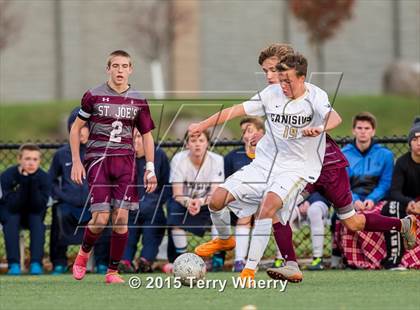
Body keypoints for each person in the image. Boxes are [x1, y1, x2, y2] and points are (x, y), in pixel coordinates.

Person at [189, 52, 343, 282]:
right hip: (264, 164)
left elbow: (335, 117)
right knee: (217, 200)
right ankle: (224, 240)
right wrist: (203, 124)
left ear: (302, 79)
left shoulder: (315, 96)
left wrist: (320, 128)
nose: (281, 85)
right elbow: (235, 111)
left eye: (287, 80)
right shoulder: (272, 93)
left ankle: (248, 271)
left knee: (267, 208)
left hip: (297, 169)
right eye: (279, 79)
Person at [69, 50, 157, 284]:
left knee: (120, 219)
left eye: (124, 66)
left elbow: (147, 136)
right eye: (115, 66)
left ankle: (112, 272)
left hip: (125, 163)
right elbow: (76, 128)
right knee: (100, 218)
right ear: (108, 69)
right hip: (98, 160)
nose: (120, 70)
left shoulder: (138, 99)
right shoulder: (93, 95)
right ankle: (83, 254)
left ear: (131, 69)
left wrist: (150, 167)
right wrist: (77, 161)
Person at [330, 112, 394, 269]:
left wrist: (372, 199)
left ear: (373, 131)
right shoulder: (344, 154)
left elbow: (386, 183)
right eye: (359, 128)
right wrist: (354, 200)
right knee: (337, 217)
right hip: (351, 198)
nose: (363, 131)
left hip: (377, 199)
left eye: (367, 128)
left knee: (381, 215)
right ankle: (339, 256)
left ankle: (384, 257)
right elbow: (343, 184)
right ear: (353, 130)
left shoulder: (386, 155)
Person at [49, 108, 109, 274]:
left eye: (85, 127)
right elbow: (51, 180)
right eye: (77, 127)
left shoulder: (100, 152)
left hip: (93, 204)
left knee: (104, 217)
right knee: (59, 213)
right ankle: (59, 262)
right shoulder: (62, 154)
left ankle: (103, 262)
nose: (81, 132)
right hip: (69, 204)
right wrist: (61, 196)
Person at [167, 130, 224, 262]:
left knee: (219, 213)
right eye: (193, 141)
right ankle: (183, 258)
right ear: (187, 144)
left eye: (201, 140)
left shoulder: (217, 160)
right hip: (184, 202)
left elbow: (215, 194)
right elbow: (177, 194)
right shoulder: (178, 159)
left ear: (207, 144)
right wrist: (189, 202)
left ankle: (217, 259)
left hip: (206, 202)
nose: (197, 144)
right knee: (174, 214)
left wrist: (200, 201)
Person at [119, 129, 170, 273]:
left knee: (152, 232)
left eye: (139, 137)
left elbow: (167, 185)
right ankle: (126, 262)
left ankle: (145, 261)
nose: (135, 141)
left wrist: (156, 201)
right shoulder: (123, 158)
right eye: (131, 137)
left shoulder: (158, 156)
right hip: (130, 208)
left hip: (152, 208)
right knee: (128, 233)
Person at [0, 144, 51, 275]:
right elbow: (12, 206)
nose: (31, 163)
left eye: (35, 159)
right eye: (27, 158)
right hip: (11, 213)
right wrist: (23, 181)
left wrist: (32, 181)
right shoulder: (7, 175)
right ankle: (14, 264)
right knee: (11, 221)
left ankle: (35, 263)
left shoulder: (44, 177)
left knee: (37, 223)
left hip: (33, 213)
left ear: (39, 161)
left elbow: (38, 206)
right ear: (19, 159)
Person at [381, 117, 420, 269]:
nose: (419, 143)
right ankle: (394, 259)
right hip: (407, 203)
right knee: (390, 208)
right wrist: (409, 203)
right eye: (415, 139)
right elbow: (395, 191)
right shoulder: (402, 162)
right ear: (410, 142)